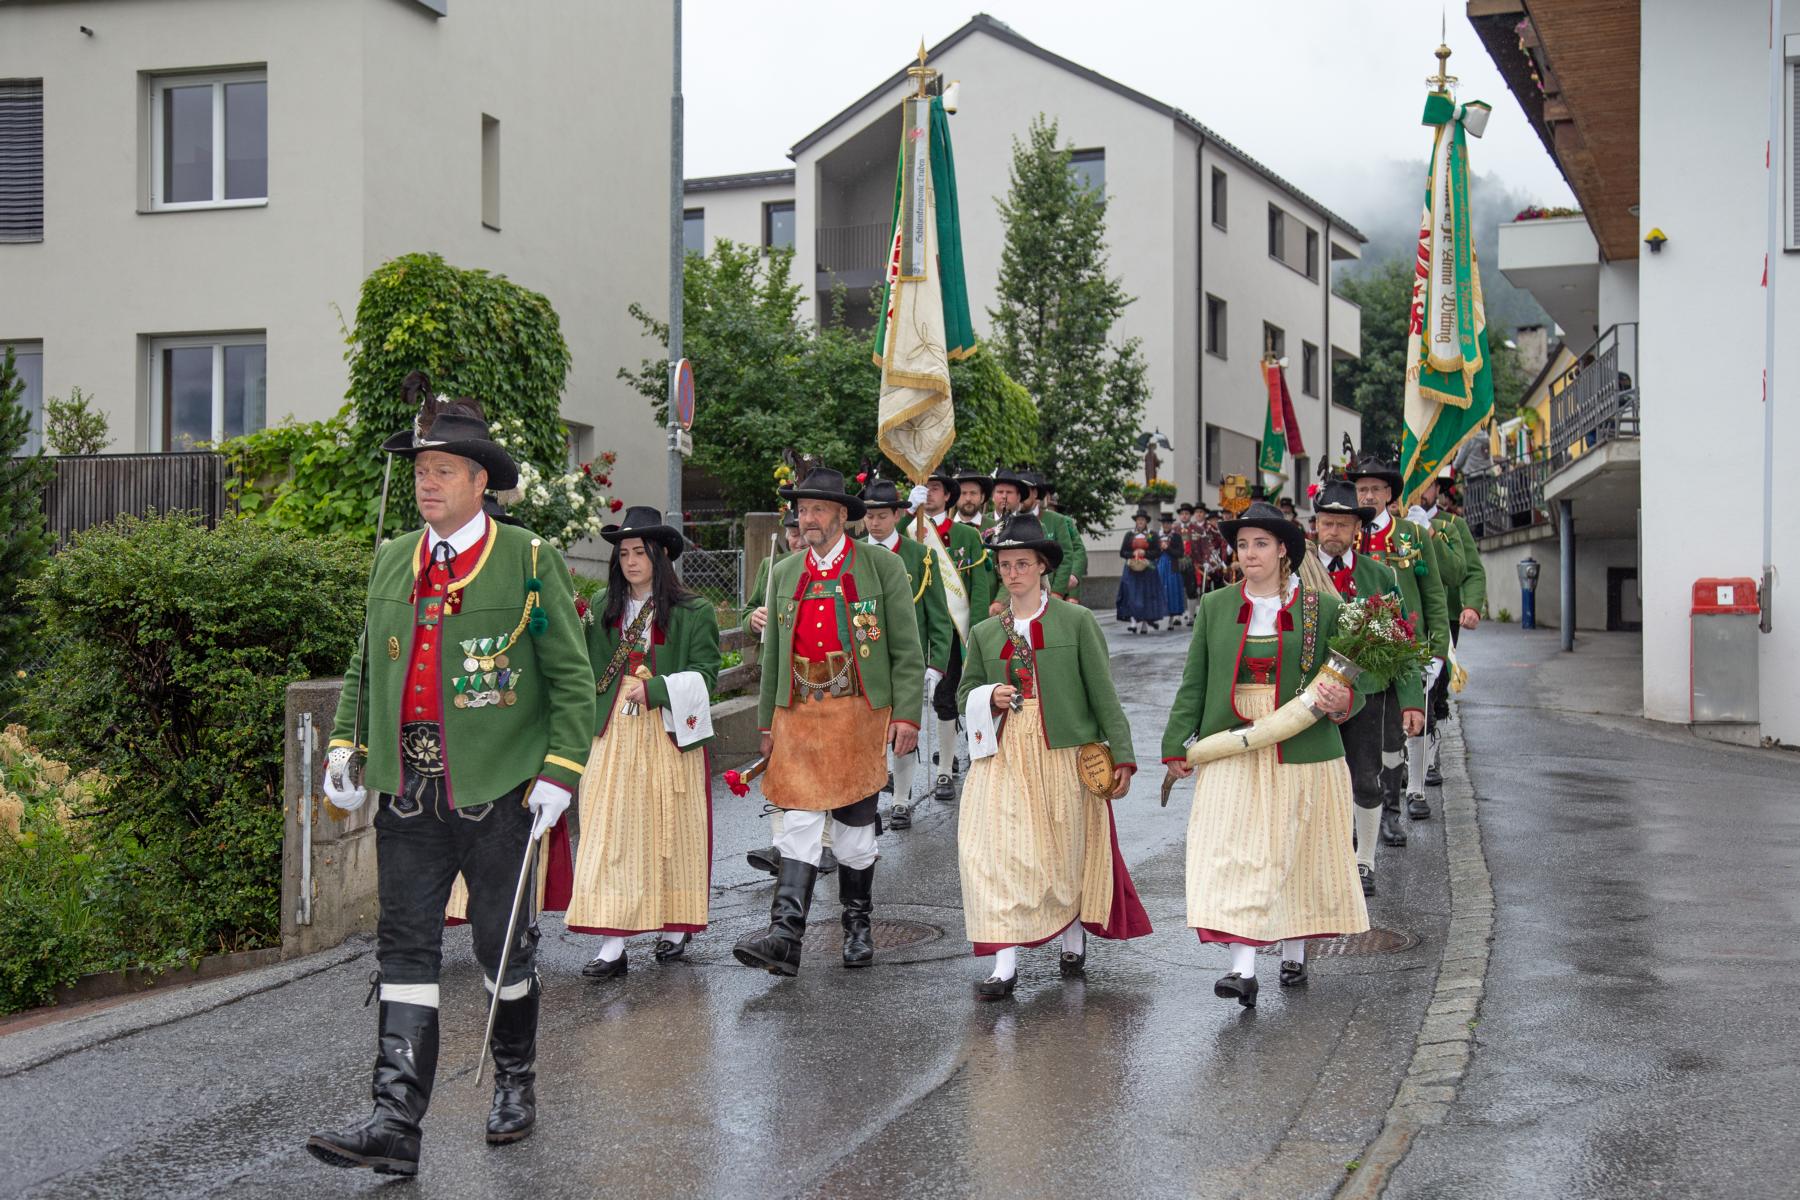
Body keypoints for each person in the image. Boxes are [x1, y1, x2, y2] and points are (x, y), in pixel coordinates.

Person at [309, 386, 593, 1174]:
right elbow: (369, 664)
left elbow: (572, 681)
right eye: (419, 471)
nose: (426, 483)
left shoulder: (528, 559)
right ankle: (395, 1122)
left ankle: (515, 1082)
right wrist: (344, 745)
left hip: (501, 788)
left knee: (505, 947)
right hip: (410, 789)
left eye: (441, 470)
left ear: (479, 482)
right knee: (404, 948)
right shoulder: (394, 557)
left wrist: (561, 772)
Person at [1160, 501, 1368, 1009]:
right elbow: (1195, 682)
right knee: (1234, 853)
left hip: (1303, 746)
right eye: (1243, 544)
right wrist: (1175, 744)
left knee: (1293, 852)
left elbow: (1352, 683)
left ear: (1283, 552)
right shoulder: (1215, 606)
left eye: (1260, 544)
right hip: (1233, 740)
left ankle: (1293, 950)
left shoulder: (1323, 608)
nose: (1248, 553)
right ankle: (1243, 968)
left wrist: (1345, 701)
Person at [733, 466, 925, 976]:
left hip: (858, 713)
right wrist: (768, 722)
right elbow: (773, 657)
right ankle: (785, 938)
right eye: (802, 509)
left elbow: (907, 650)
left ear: (843, 516)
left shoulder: (880, 569)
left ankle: (857, 925)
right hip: (796, 712)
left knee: (853, 837)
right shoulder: (783, 572)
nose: (808, 517)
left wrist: (907, 714)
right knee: (795, 824)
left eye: (818, 509)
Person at [956, 514, 1150, 999]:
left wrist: (1121, 755)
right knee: (993, 855)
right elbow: (964, 696)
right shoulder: (984, 632)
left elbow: (1103, 694)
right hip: (1003, 755)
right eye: (1004, 564)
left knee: (1065, 851)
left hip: (1063, 752)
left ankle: (1071, 936)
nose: (1012, 573)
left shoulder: (1076, 621)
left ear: (1042, 566)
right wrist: (987, 696)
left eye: (1022, 563)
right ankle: (1004, 964)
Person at [565, 506, 721, 979]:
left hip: (667, 735)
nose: (630, 561)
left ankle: (673, 926)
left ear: (660, 556)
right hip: (612, 736)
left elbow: (707, 676)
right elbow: (584, 670)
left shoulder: (695, 612)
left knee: (668, 832)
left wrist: (656, 689)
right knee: (608, 833)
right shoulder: (602, 612)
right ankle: (613, 943)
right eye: (624, 553)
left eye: (639, 552)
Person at [1312, 477, 1425, 896]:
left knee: (1364, 778)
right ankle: (1323, 860)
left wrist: (1412, 701)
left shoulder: (1379, 575)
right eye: (1327, 523)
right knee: (1314, 783)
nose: (1334, 532)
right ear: (1316, 526)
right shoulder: (1296, 574)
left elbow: (1402, 643)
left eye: (1343, 525)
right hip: (1308, 697)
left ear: (1357, 529)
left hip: (1368, 694)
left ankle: (1363, 863)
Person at [1347, 454, 1449, 837]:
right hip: (1356, 656)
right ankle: (1362, 817)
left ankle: (1390, 813)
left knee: (1395, 739)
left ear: (1389, 493)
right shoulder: (1348, 536)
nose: (1368, 496)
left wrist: (1436, 653)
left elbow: (1434, 596)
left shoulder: (1412, 534)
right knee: (1360, 745)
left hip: (1404, 652)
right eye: (1361, 489)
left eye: (1375, 489)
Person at [861, 475, 952, 830]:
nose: (874, 523)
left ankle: (900, 800)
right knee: (867, 733)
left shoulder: (921, 556)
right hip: (865, 660)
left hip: (906, 661)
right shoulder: (853, 553)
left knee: (903, 731)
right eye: (869, 516)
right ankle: (864, 799)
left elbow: (939, 617)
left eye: (882, 516)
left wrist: (936, 665)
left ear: (898, 515)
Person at [739, 508, 821, 878]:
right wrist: (752, 620)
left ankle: (829, 842)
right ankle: (778, 843)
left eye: (801, 534)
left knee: (821, 762)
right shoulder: (773, 567)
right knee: (778, 760)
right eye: (791, 534)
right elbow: (748, 612)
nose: (797, 540)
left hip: (818, 680)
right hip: (779, 676)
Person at [918, 464, 994, 802]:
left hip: (952, 629)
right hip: (917, 632)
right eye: (924, 488)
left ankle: (946, 770)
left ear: (948, 495)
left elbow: (978, 589)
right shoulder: (908, 532)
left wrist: (974, 632)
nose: (929, 493)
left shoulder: (966, 537)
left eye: (936, 488)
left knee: (947, 700)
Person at [1407, 467, 1486, 787]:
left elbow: (1467, 572)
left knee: (1434, 690)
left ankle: (1429, 756)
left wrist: (1471, 605)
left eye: (1425, 484)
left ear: (1437, 488)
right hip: (1407, 617)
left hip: (1443, 618)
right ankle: (1405, 760)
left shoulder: (1452, 525)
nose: (1419, 491)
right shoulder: (1396, 524)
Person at [1019, 468, 1087, 603]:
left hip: (1054, 589)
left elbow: (1075, 551)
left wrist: (1065, 584)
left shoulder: (1060, 520)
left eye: (1024, 491)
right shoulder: (1008, 521)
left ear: (1035, 493)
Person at [1115, 509, 1168, 633]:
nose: (1140, 522)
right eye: (1138, 520)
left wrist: (1146, 553)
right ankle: (1133, 622)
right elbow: (1123, 552)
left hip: (1148, 570)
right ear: (1136, 521)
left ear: (1146, 522)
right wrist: (1133, 553)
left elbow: (1157, 552)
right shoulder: (1129, 535)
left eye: (1143, 520)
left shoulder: (1152, 535)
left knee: (1146, 596)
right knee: (1131, 595)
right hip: (1131, 568)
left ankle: (1144, 624)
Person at [1155, 512, 1188, 624]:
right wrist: (1160, 549)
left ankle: (1172, 617)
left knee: (1172, 590)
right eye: (1164, 523)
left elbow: (1180, 553)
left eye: (1168, 523)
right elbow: (1154, 553)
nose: (1166, 525)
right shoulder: (1157, 536)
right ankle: (1160, 614)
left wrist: (1167, 548)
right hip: (1160, 566)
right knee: (1161, 590)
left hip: (1172, 566)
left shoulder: (1176, 536)